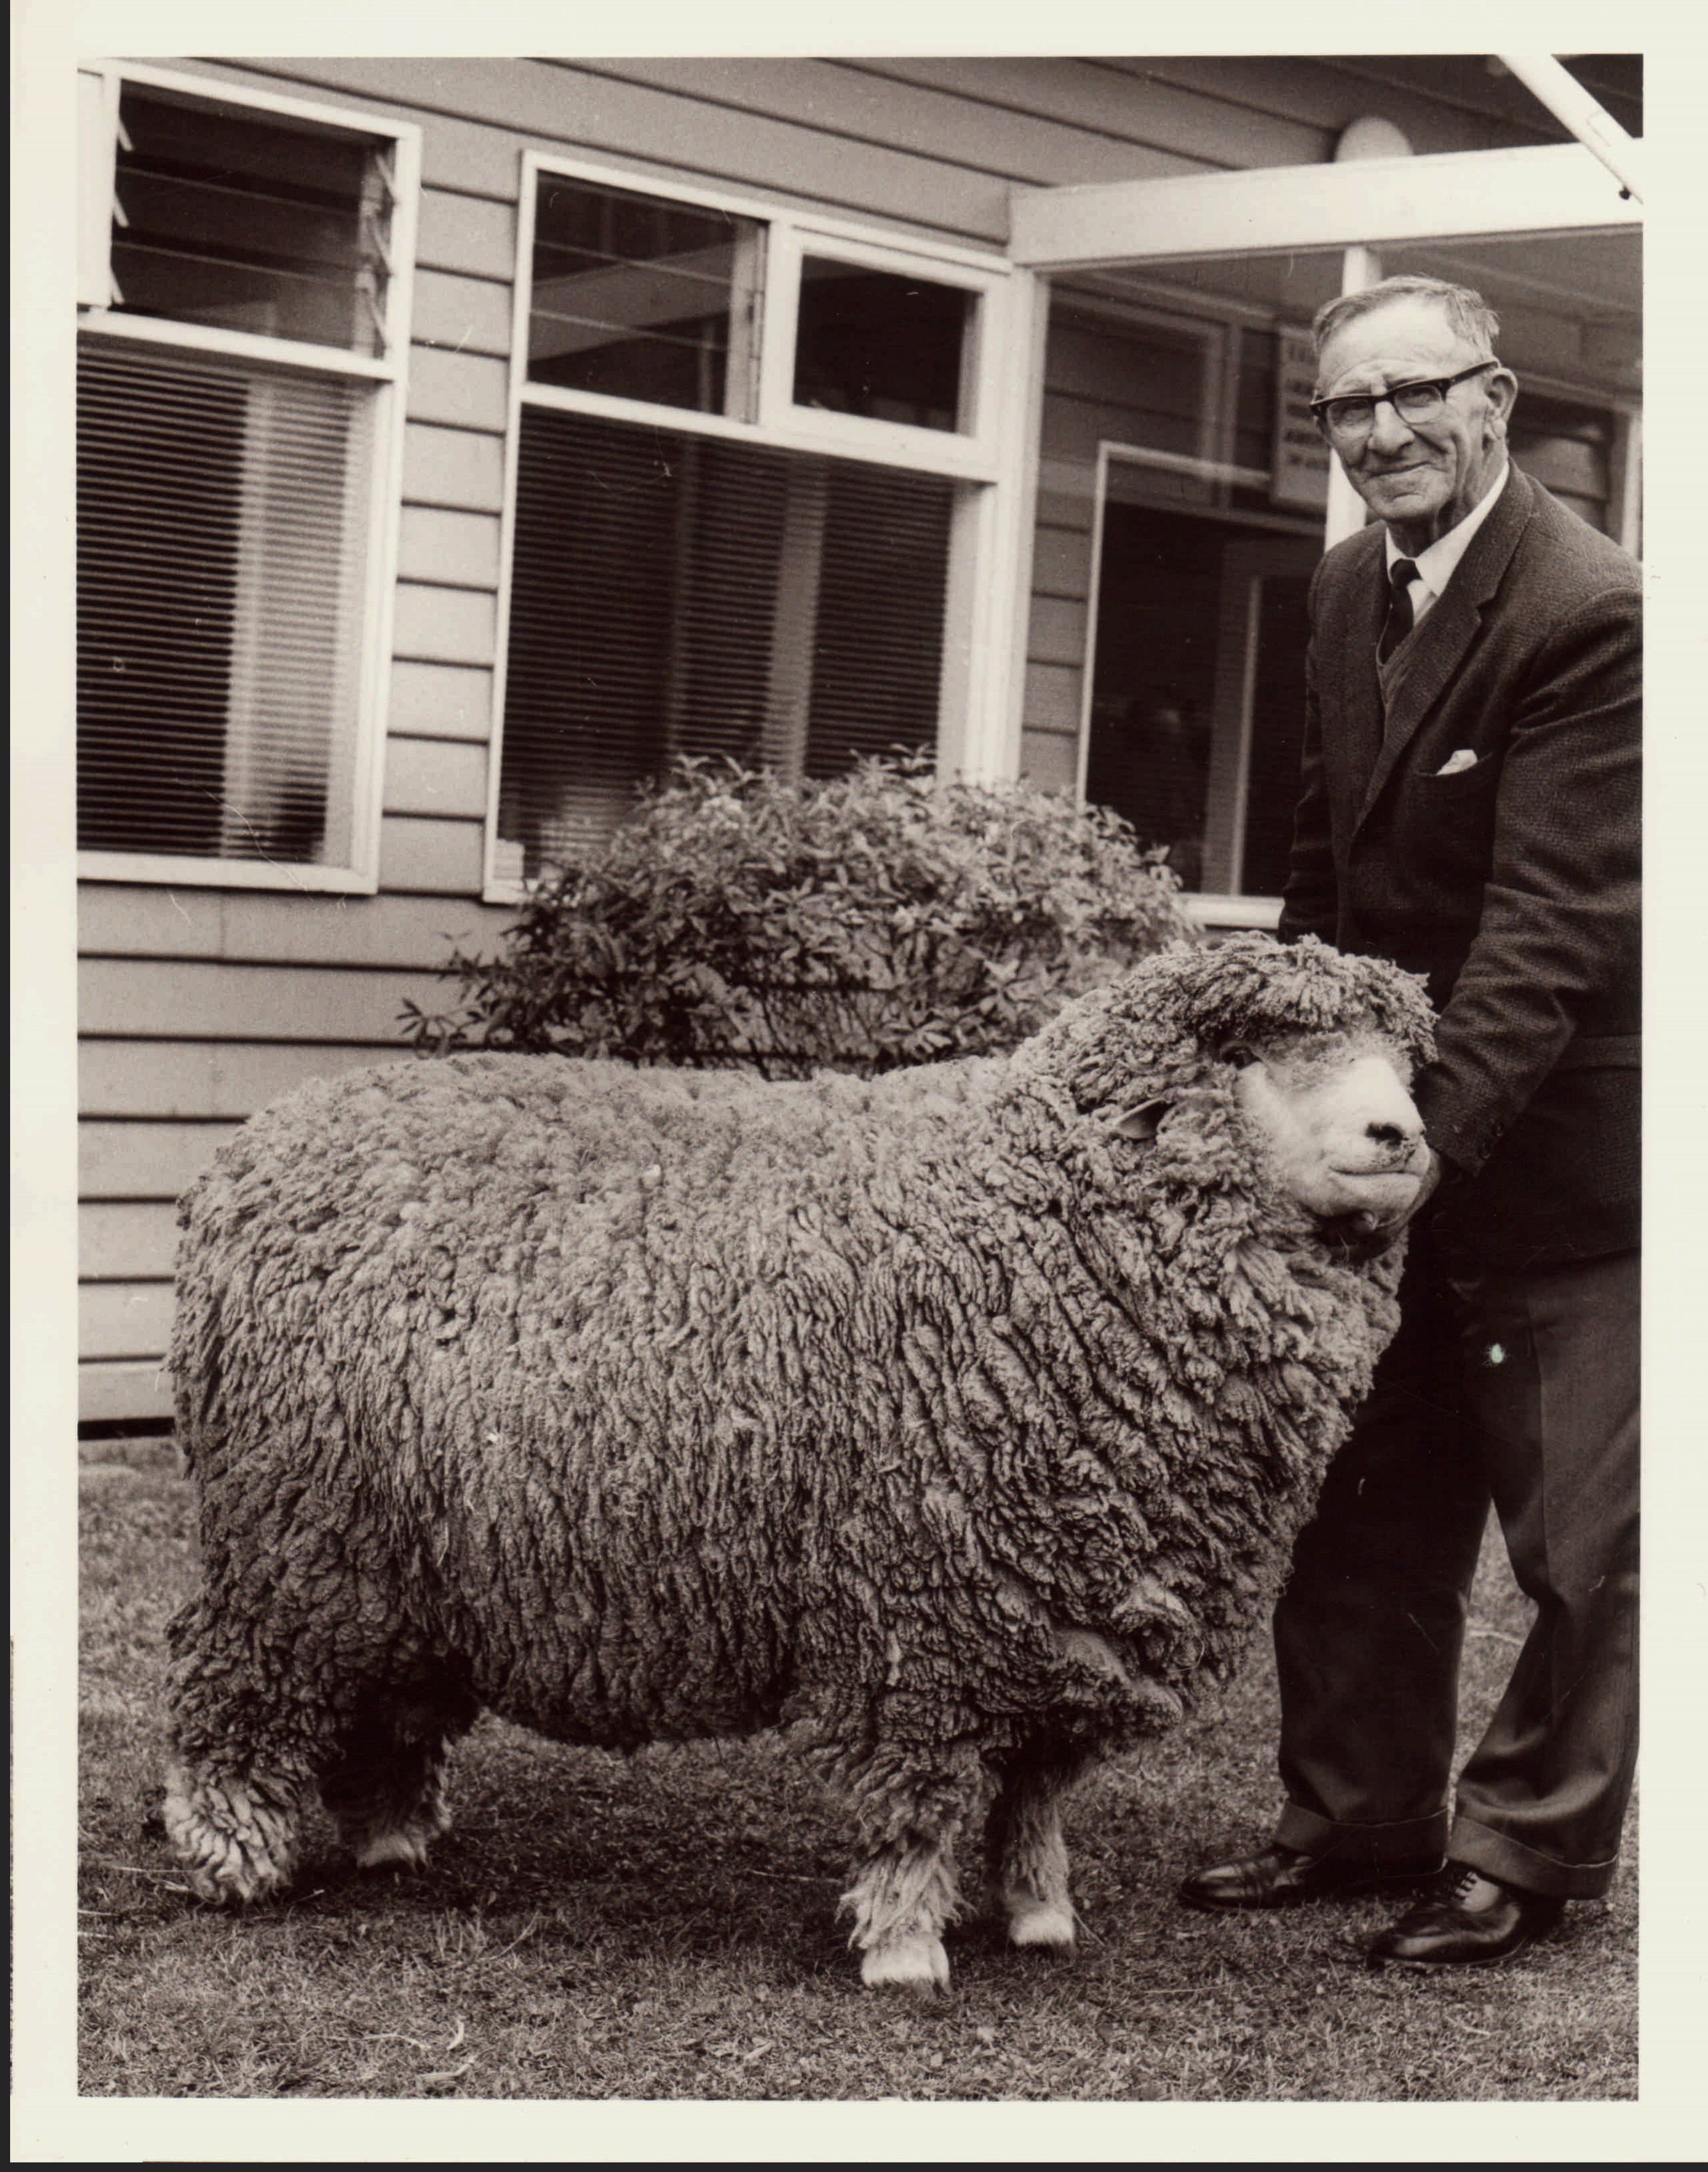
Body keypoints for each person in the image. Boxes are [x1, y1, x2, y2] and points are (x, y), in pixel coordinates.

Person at [1178, 275, 1640, 1966]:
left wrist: (1407, 1149)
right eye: (1346, 408)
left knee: (1581, 1546)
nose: (1380, 434)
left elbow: (1550, 934)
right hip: (1383, 1142)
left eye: (1415, 394)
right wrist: (1290, 1092)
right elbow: (1325, 879)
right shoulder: (1340, 590)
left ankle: (1523, 1851)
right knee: (1363, 1499)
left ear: (1496, 397)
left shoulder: (1595, 611)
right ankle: (1355, 1816)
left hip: (1564, 1160)